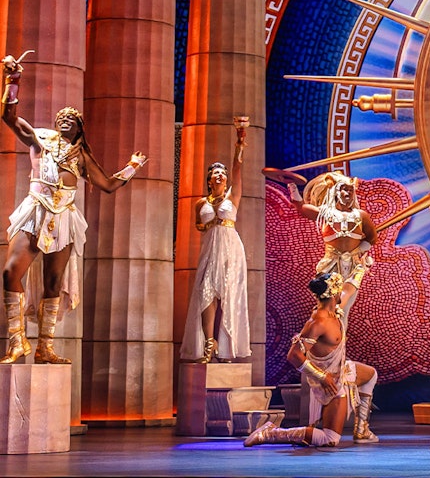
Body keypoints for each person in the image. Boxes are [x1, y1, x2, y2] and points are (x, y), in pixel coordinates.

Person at [1, 54, 146, 364]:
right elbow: (9, 118)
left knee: (53, 282)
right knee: (10, 272)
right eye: (61, 117)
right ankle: (16, 341)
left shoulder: (81, 157)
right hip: (35, 209)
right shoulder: (41, 140)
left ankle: (45, 347)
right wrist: (12, 81)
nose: (65, 119)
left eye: (72, 118)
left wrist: (132, 168)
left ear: (80, 127)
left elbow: (107, 184)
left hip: (64, 218)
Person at [244, 273, 379, 447]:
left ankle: (362, 430)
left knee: (370, 374)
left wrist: (362, 267)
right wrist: (322, 377)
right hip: (330, 380)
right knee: (329, 439)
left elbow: (349, 289)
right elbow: (294, 355)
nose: (342, 293)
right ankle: (271, 433)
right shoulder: (318, 321)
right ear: (333, 294)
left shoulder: (335, 311)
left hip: (341, 370)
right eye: (338, 290)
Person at [181, 120, 252, 363]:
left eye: (222, 173)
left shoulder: (233, 196)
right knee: (206, 293)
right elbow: (198, 226)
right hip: (210, 249)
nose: (220, 175)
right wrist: (209, 224)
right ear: (210, 179)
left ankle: (228, 348)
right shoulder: (200, 203)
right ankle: (209, 344)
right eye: (216, 173)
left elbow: (238, 169)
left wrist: (239, 143)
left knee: (229, 295)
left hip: (231, 248)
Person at [287, 171, 376, 319]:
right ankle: (325, 336)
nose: (348, 193)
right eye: (344, 189)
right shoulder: (326, 214)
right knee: (326, 307)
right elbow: (302, 207)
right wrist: (292, 187)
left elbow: (372, 238)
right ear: (335, 192)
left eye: (350, 189)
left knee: (343, 308)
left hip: (353, 267)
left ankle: (339, 340)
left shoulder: (361, 215)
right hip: (329, 265)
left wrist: (356, 251)